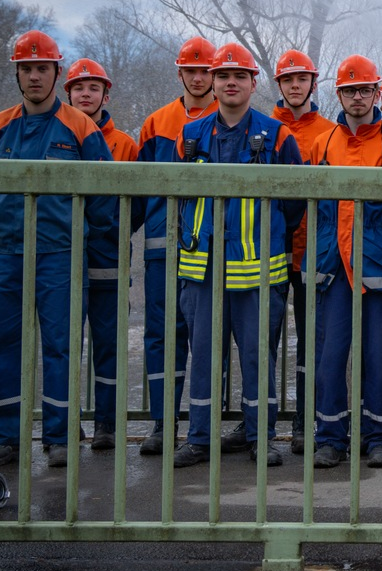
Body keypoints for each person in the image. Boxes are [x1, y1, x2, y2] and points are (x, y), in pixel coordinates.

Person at [0, 30, 112, 468]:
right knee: (2, 344)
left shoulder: (80, 126)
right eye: (26, 68)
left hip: (61, 254)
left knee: (60, 345)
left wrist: (88, 244)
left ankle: (58, 437)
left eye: (42, 68)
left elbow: (104, 198)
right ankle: (3, 437)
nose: (34, 76)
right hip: (6, 252)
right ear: (17, 73)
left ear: (58, 71)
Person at [169, 42, 303, 468]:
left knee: (256, 356)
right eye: (223, 76)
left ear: (252, 83)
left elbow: (295, 201)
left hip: (258, 269)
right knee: (204, 355)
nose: (230, 83)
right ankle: (200, 438)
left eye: (239, 76)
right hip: (203, 267)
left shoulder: (277, 135)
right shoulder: (192, 134)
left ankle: (260, 438)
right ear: (212, 80)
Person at [308, 54, 382, 469]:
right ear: (339, 94)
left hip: (380, 267)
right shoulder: (322, 144)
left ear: (376, 94)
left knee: (379, 356)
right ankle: (330, 437)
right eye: (350, 90)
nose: (357, 97)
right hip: (333, 267)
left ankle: (380, 436)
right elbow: (311, 210)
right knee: (331, 355)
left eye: (365, 90)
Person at [135, 36, 219, 456]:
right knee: (162, 336)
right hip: (162, 247)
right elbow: (139, 188)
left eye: (207, 70)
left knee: (206, 337)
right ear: (180, 73)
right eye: (192, 70)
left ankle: (206, 426)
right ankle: (162, 423)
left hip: (207, 249)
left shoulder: (225, 122)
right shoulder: (156, 123)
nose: (200, 77)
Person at [258, 49, 335, 456]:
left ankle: (309, 422)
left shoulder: (327, 132)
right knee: (261, 342)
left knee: (312, 344)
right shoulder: (263, 129)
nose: (294, 85)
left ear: (312, 83)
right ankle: (259, 425)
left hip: (313, 255)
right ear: (279, 85)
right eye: (287, 80)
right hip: (267, 252)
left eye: (301, 79)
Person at [64, 58, 139, 451]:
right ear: (69, 94)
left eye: (94, 88)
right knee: (65, 346)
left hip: (108, 260)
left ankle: (106, 425)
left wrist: (116, 234)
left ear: (106, 95)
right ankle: (65, 423)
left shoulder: (124, 145)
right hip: (61, 262)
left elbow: (136, 205)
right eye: (79, 88)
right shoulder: (56, 138)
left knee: (108, 346)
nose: (86, 94)